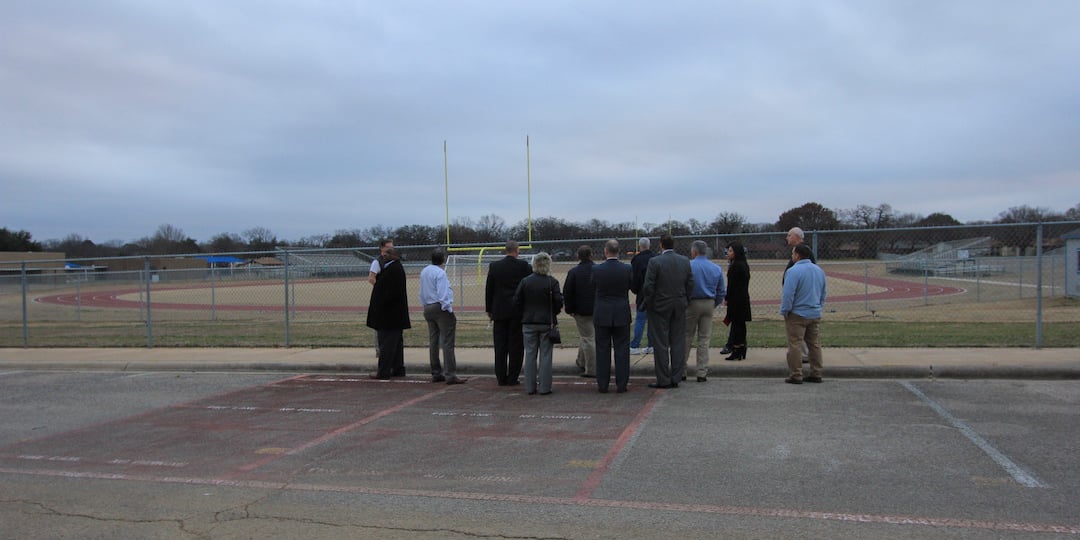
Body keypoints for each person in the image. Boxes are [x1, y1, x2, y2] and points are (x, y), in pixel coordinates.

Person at [641, 234, 693, 389]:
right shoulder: (684, 261)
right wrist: (685, 300)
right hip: (679, 304)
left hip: (660, 306)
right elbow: (690, 283)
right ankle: (676, 377)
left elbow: (648, 286)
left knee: (661, 343)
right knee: (678, 341)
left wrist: (649, 303)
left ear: (661, 245)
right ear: (673, 244)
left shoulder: (655, 261)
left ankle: (663, 378)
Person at [513, 252, 563, 395]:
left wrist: (523, 313)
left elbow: (516, 300)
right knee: (546, 355)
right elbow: (558, 301)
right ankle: (545, 387)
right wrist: (554, 313)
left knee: (530, 355)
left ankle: (530, 387)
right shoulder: (552, 282)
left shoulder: (525, 281)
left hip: (528, 321)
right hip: (546, 322)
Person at [485, 240, 533, 386]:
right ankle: (513, 377)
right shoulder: (524, 266)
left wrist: (489, 309)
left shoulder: (495, 266)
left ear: (505, 250)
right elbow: (528, 287)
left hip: (499, 311)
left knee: (500, 346)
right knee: (516, 346)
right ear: (517, 250)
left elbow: (489, 289)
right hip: (517, 311)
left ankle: (501, 376)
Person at [591, 239, 633, 393]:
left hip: (602, 312)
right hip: (621, 311)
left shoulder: (597, 270)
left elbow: (593, 286)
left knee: (602, 350)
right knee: (622, 350)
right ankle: (622, 384)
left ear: (606, 251)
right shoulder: (627, 269)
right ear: (618, 251)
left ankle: (603, 384)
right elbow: (633, 286)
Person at [780, 244, 827, 384]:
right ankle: (816, 372)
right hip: (814, 312)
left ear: (797, 255)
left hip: (797, 313)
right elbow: (823, 292)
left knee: (795, 344)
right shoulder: (819, 270)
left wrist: (785, 310)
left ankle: (796, 374)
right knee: (814, 344)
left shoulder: (793, 271)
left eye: (793, 254)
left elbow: (788, 294)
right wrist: (818, 306)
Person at [419, 249, 464, 384]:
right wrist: (447, 308)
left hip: (428, 307)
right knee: (447, 342)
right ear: (443, 259)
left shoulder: (424, 271)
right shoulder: (440, 273)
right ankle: (450, 374)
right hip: (439, 307)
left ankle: (436, 371)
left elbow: (421, 291)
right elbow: (442, 293)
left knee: (433, 341)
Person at [365, 248, 410, 379]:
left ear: (395, 256)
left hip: (389, 315)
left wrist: (381, 304)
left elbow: (389, 292)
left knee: (387, 344)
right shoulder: (391, 268)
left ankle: (384, 371)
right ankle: (398, 368)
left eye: (388, 253)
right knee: (395, 344)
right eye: (384, 253)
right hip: (393, 315)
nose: (384, 255)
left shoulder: (394, 269)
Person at [684, 240, 725, 382]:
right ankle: (702, 371)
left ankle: (681, 369)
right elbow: (721, 290)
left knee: (686, 336)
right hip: (709, 302)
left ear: (694, 252)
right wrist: (714, 302)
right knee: (704, 338)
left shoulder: (688, 266)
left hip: (692, 303)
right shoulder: (715, 268)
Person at [563, 245, 596, 378]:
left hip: (581, 311)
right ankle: (581, 361)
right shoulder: (598, 270)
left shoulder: (574, 272)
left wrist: (570, 309)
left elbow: (567, 292)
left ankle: (592, 369)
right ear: (591, 255)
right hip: (597, 309)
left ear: (578, 256)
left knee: (588, 338)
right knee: (588, 337)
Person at [784, 227, 815, 363]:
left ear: (796, 236)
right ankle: (803, 353)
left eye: (789, 235)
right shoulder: (798, 252)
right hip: (800, 298)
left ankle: (802, 355)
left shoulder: (804, 253)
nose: (787, 238)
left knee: (798, 332)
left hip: (800, 299)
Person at [723, 240, 752, 362]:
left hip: (736, 301)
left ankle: (736, 350)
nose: (728, 253)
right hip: (743, 299)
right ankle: (741, 349)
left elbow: (731, 286)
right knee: (741, 325)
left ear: (736, 252)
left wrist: (727, 299)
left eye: (730, 251)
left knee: (736, 326)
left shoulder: (735, 266)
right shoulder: (744, 265)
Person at [629, 237, 655, 354]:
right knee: (652, 320)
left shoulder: (636, 259)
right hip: (655, 293)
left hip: (642, 293)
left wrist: (635, 290)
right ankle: (651, 345)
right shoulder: (655, 258)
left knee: (640, 319)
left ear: (640, 246)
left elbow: (634, 278)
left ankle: (635, 346)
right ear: (649, 246)